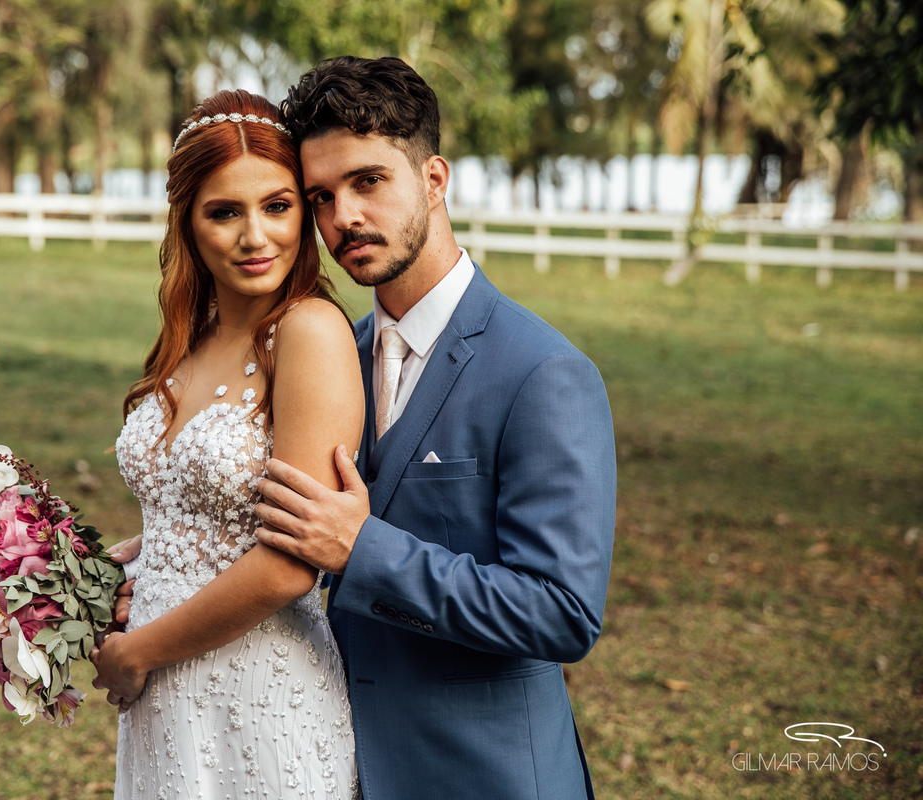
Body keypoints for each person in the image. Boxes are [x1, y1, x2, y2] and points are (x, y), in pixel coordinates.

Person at [251, 57, 617, 799]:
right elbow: (281, 525)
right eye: (320, 197)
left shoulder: (544, 373)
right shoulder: (333, 358)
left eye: (367, 181)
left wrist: (365, 550)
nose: (341, 218)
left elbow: (563, 612)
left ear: (435, 179)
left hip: (492, 778)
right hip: (343, 765)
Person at [90, 89, 363, 800]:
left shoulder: (309, 332)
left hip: (261, 688)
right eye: (224, 212)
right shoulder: (191, 339)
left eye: (276, 206)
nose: (255, 237)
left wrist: (133, 653)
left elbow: (289, 565)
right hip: (166, 696)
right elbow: (201, 514)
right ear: (188, 223)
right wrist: (128, 563)